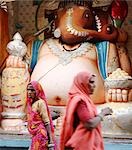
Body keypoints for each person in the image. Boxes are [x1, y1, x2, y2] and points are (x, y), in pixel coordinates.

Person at [60, 71, 113, 150]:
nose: (94, 86)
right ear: (82, 83)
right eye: (91, 82)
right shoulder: (80, 101)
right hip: (81, 144)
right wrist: (103, 113)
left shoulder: (85, 99)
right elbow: (89, 124)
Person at [27, 81, 56, 150]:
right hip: (35, 134)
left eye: (32, 90)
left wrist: (51, 141)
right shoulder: (32, 103)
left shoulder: (41, 103)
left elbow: (47, 122)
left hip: (40, 134)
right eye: (28, 89)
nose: (29, 92)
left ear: (37, 91)